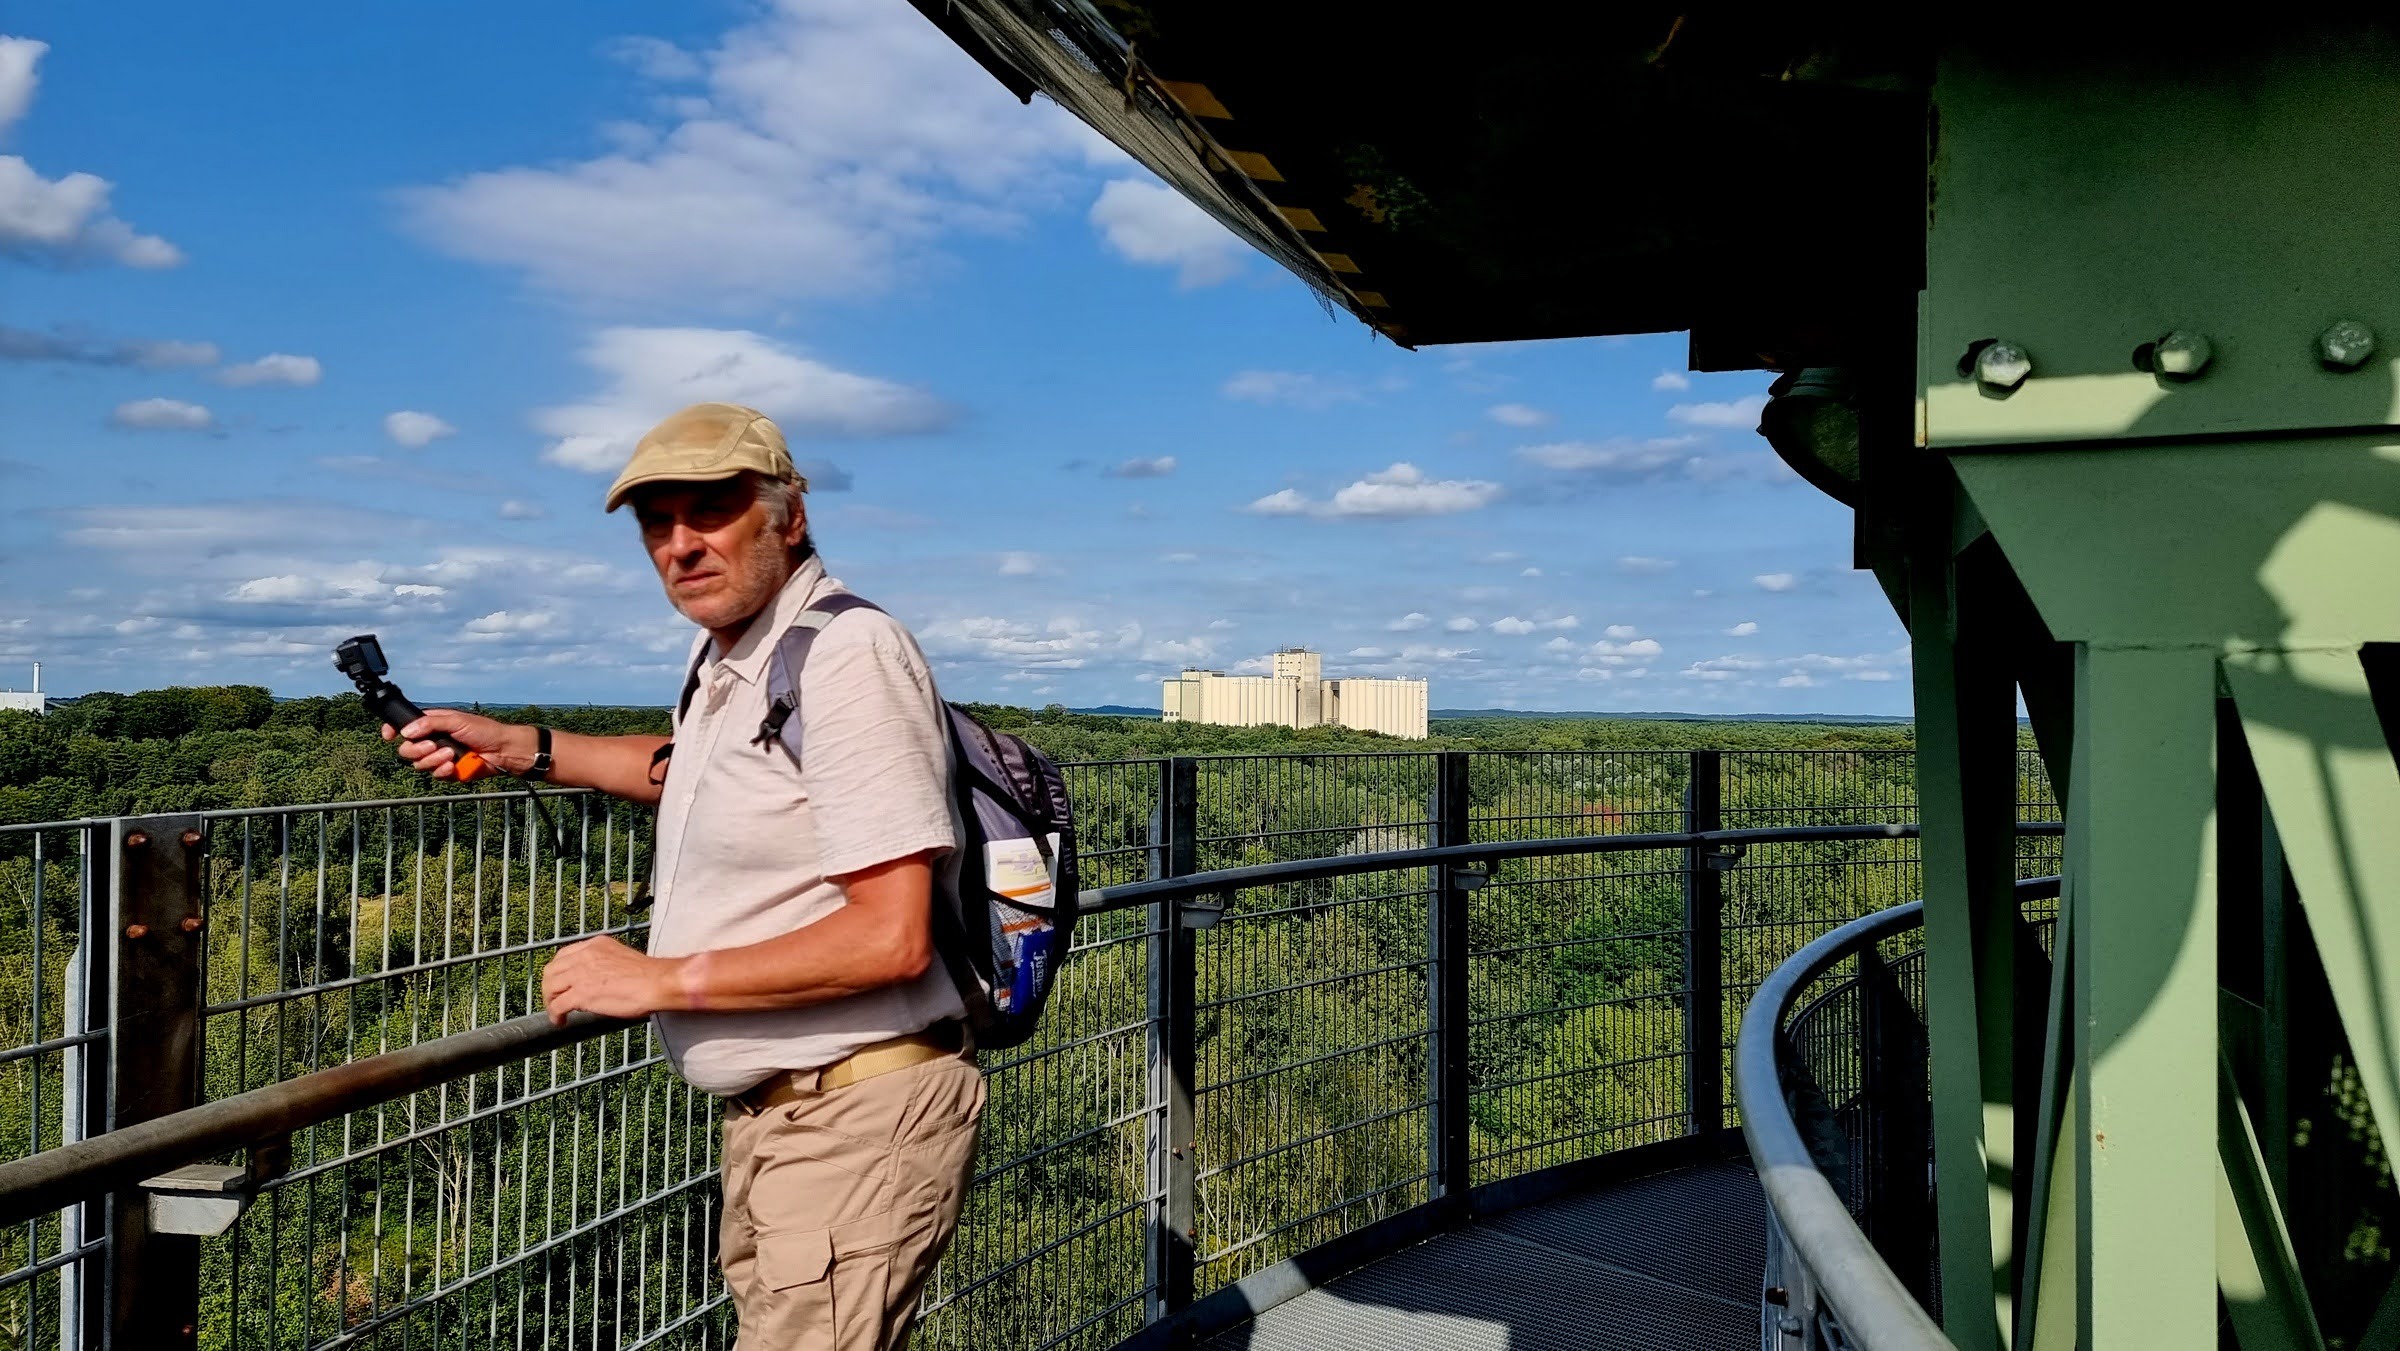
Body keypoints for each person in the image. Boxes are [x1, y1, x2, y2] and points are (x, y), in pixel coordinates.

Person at [383, 402, 983, 1351]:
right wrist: (522, 747)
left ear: (789, 514)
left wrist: (658, 980)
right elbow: (690, 772)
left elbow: (890, 935)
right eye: (656, 522)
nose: (679, 543)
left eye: (709, 509)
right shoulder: (739, 655)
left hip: (850, 1117)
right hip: (789, 1119)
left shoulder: (847, 653)